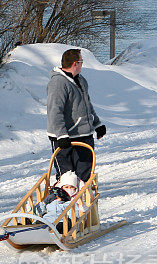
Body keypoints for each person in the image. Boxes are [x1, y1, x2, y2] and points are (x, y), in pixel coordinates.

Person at [46, 48, 106, 182]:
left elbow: (87, 104)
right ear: (75, 63)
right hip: (65, 139)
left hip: (84, 135)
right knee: (67, 179)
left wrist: (97, 124)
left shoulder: (81, 80)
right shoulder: (58, 83)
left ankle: (84, 201)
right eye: (81, 61)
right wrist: (61, 134)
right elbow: (54, 111)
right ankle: (64, 203)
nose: (82, 65)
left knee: (85, 175)